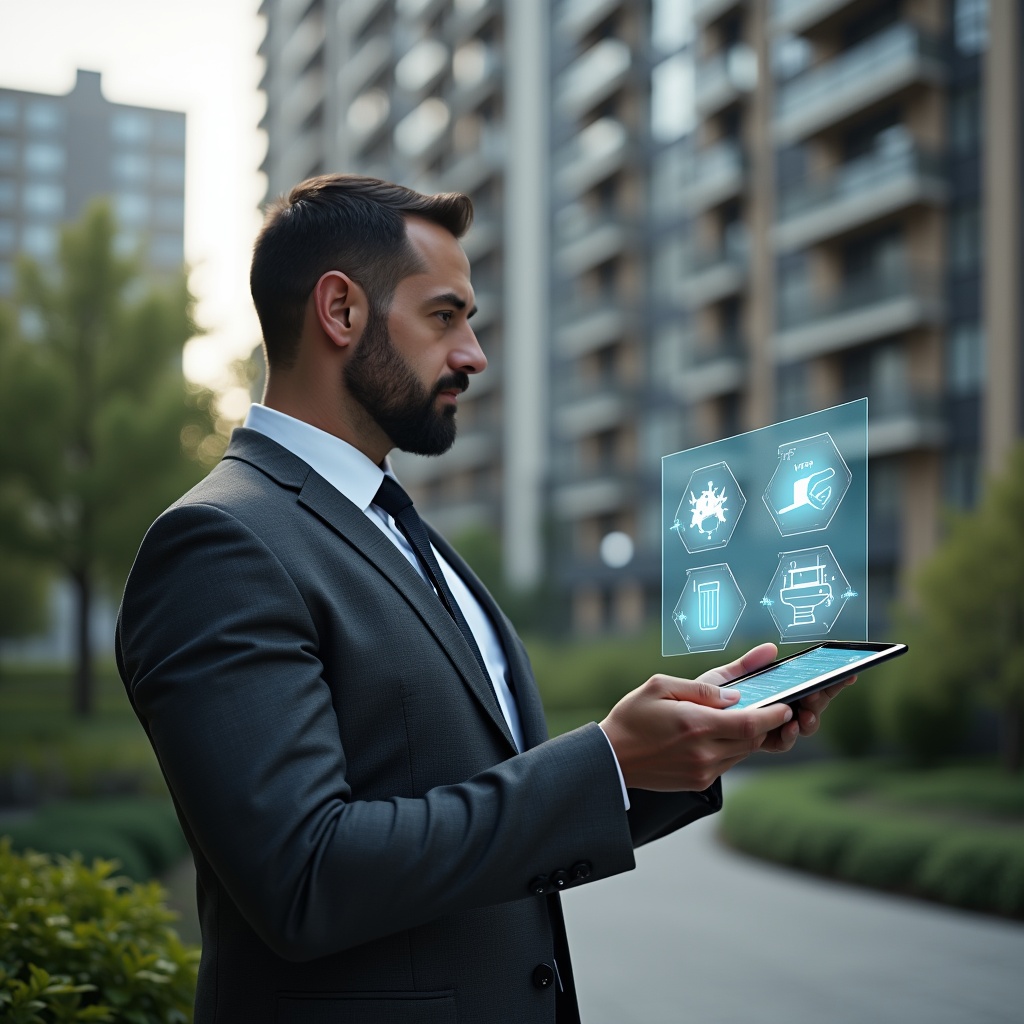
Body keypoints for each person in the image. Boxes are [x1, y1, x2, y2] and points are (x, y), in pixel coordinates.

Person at [116, 174, 849, 1024]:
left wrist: (685, 748)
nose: (473, 353)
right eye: (444, 315)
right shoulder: (220, 543)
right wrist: (606, 759)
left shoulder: (403, 532)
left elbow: (490, 816)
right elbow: (304, 878)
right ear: (341, 312)